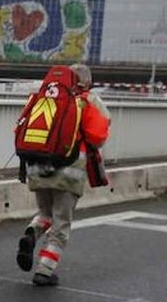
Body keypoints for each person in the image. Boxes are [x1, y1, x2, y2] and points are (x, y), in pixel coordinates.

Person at [16, 63, 111, 286]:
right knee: (61, 224)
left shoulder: (43, 97)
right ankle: (44, 271)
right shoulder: (88, 100)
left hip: (37, 167)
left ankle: (31, 233)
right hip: (69, 172)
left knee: (45, 212)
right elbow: (98, 137)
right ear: (87, 82)